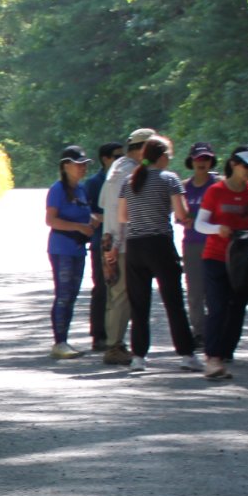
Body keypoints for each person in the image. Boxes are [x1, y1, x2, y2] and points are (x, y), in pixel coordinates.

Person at [111, 135, 198, 370]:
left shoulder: (129, 181)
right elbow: (181, 214)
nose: (169, 160)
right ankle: (187, 355)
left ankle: (138, 357)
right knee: (173, 301)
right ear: (161, 157)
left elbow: (122, 217)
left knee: (139, 305)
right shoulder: (169, 179)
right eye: (168, 156)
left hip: (135, 247)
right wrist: (183, 218)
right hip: (159, 244)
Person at [195, 147, 248, 380]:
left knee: (237, 307)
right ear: (234, 165)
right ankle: (212, 358)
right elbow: (200, 224)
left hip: (242, 259)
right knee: (217, 307)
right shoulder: (216, 191)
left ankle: (225, 352)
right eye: (247, 167)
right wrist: (219, 228)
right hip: (215, 255)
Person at [96, 129, 154, 364]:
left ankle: (115, 342)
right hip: (121, 242)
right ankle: (114, 346)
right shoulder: (131, 172)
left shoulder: (115, 169)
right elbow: (127, 212)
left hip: (110, 238)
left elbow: (102, 203)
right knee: (122, 295)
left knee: (116, 294)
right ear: (143, 149)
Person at [42, 146, 95, 357]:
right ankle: (59, 342)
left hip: (78, 249)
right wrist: (78, 227)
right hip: (61, 248)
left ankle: (65, 339)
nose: (83, 168)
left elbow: (84, 216)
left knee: (72, 294)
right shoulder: (57, 190)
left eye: (85, 164)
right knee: (63, 294)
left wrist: (93, 223)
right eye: (78, 164)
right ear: (66, 166)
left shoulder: (81, 190)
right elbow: (50, 220)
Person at [81, 142, 123, 353]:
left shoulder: (124, 179)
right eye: (117, 156)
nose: (120, 159)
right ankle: (99, 334)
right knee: (101, 288)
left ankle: (116, 334)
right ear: (105, 159)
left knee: (120, 290)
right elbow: (87, 213)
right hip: (101, 242)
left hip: (122, 242)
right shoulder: (93, 183)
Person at [179, 142, 220, 352]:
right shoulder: (184, 186)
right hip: (193, 244)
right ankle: (199, 333)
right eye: (198, 158)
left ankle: (216, 331)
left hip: (217, 244)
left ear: (211, 161)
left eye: (206, 158)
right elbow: (178, 215)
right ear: (191, 161)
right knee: (195, 293)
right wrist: (183, 219)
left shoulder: (218, 185)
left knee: (217, 292)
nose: (202, 162)